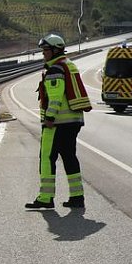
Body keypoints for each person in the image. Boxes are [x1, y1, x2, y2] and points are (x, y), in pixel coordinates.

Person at [25, 33, 92, 210]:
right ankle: (77, 197)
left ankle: (46, 198)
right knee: (69, 157)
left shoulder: (55, 69)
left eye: (46, 50)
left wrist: (49, 118)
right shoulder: (68, 65)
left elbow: (55, 98)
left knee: (46, 157)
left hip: (58, 124)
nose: (43, 53)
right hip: (73, 121)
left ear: (55, 50)